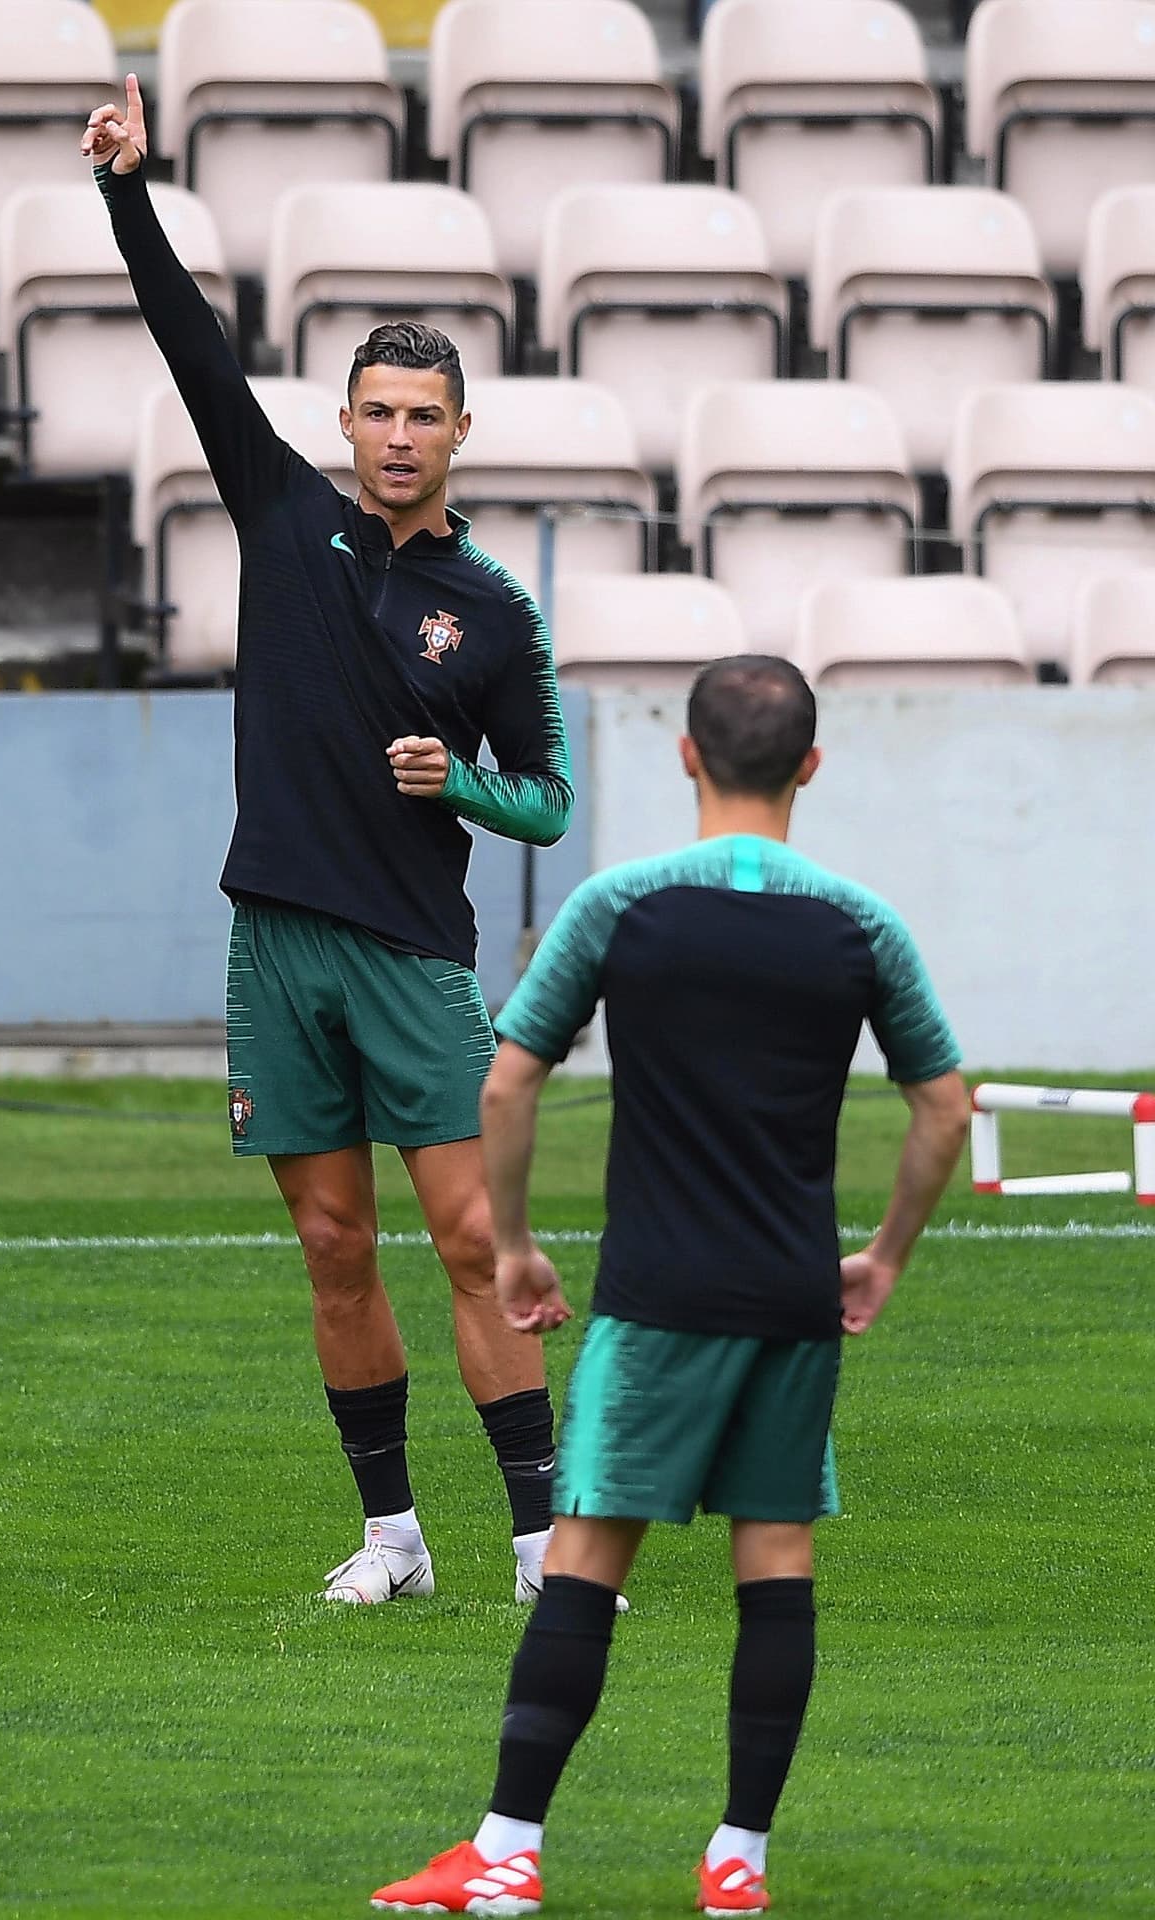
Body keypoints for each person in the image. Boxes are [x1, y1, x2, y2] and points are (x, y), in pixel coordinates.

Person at [81, 79, 575, 1605]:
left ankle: (548, 1545)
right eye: (380, 409)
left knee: (470, 1244)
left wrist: (465, 789)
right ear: (343, 421)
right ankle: (394, 1541)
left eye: (428, 414)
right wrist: (126, 195)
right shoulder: (282, 514)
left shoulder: (499, 613)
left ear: (460, 432)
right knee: (331, 1244)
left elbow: (550, 797)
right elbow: (189, 346)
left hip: (416, 956)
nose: (402, 435)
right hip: (274, 935)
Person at [371, 655, 970, 1914]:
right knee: (776, 1564)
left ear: (686, 758)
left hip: (655, 1298)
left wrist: (519, 1242)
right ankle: (738, 1863)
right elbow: (942, 1107)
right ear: (809, 766)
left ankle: (506, 1853)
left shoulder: (617, 906)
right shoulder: (862, 923)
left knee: (584, 1557)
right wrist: (883, 1256)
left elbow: (507, 1081)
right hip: (789, 1299)